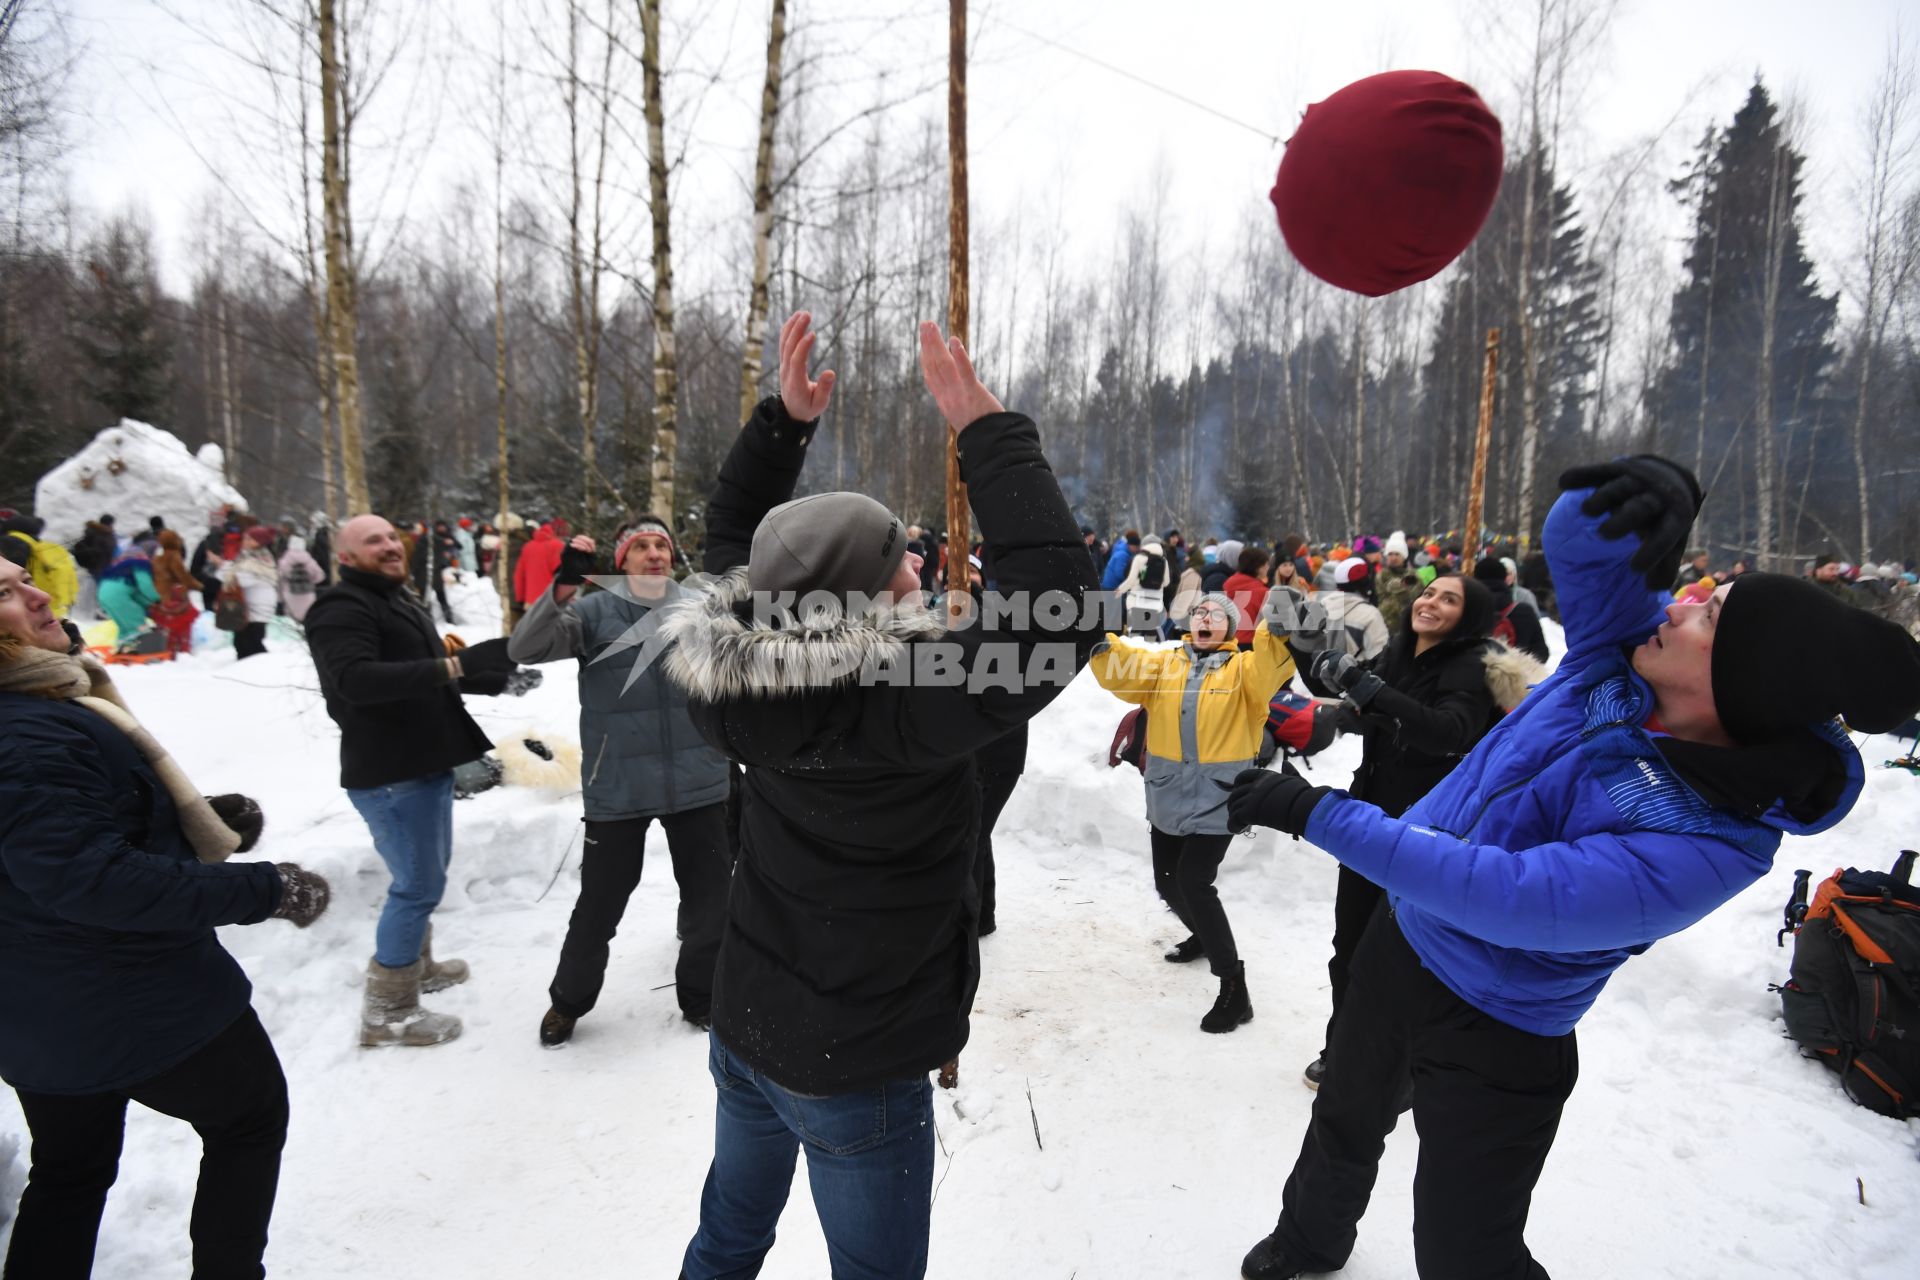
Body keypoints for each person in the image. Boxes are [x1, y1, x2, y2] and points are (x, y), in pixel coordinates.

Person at [1227, 454, 1920, 1280]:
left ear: (1741, 687)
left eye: (1710, 616)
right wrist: (1635, 496)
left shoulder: (1714, 840)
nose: (1684, 602)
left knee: (1465, 1248)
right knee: (1344, 1112)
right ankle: (1309, 1239)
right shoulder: (1614, 665)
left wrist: (1317, 813)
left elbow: (1505, 895)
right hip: (1402, 944)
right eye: (1703, 592)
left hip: (1502, 1023)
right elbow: (1584, 551)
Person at [665, 311, 1098, 1280]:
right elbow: (1062, 603)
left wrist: (781, 425)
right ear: (866, 600)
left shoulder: (731, 681)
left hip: (749, 1027)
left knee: (728, 1234)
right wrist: (981, 422)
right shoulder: (905, 708)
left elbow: (734, 545)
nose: (920, 566)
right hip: (855, 1065)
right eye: (901, 558)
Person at [0, 555, 330, 1280]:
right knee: (248, 1120)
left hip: (37, 1008)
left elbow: (56, 841)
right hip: (132, 997)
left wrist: (199, 822)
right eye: (6, 592)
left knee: (69, 1172)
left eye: (25, 576)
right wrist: (263, 890)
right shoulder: (26, 737)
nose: (35, 592)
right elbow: (92, 879)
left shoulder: (37, 711)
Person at [1295, 572, 1537, 1092]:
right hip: (1369, 821)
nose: (1430, 602)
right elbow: (1362, 699)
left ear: (1469, 616)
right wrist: (1307, 647)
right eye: (1429, 593)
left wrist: (1371, 693)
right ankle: (1344, 1048)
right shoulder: (1401, 653)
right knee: (1350, 947)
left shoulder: (1470, 665)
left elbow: (1446, 733)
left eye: (1449, 599)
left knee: (1405, 957)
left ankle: (1400, 1064)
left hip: (1427, 837)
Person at [507, 517, 734, 1046]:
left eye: (661, 545)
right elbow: (525, 648)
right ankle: (568, 1001)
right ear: (622, 560)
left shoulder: (699, 608)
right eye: (641, 547)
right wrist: (562, 585)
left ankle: (701, 998)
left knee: (710, 903)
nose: (654, 553)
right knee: (600, 905)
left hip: (698, 779)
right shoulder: (591, 611)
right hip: (619, 785)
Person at [306, 514, 518, 1048]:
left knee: (426, 878)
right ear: (347, 557)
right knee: (417, 886)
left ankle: (416, 967)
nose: (388, 545)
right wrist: (452, 669)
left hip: (422, 763)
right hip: (389, 774)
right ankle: (388, 1011)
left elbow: (429, 669)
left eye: (391, 537)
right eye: (372, 540)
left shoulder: (396, 600)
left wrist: (492, 676)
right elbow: (355, 680)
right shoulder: (340, 607)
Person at [1089, 592, 1296, 1032]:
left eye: (1217, 614)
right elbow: (1123, 668)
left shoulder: (1243, 669)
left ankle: (1234, 990)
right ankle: (1202, 936)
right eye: (1200, 611)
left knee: (1193, 882)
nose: (1206, 617)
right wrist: (1101, 643)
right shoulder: (1166, 664)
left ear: (1230, 628)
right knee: (1167, 883)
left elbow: (1270, 663)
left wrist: (1277, 628)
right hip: (1167, 793)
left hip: (1218, 798)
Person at [1474, 554, 1550, 664]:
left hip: (1474, 676)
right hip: (1517, 677)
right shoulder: (1524, 611)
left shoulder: (1467, 610)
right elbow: (1542, 653)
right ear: (1504, 578)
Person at [1, 516, 78, 619]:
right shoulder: (45, 546)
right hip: (50, 602)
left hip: (28, 605)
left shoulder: (11, 542)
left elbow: (10, 575)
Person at [222, 525, 281, 660]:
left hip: (259, 606)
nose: (245, 541)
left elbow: (243, 579)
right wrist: (227, 568)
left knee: (252, 643)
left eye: (250, 539)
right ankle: (246, 669)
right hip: (247, 606)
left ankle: (262, 668)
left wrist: (228, 569)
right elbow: (227, 576)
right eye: (245, 538)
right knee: (240, 642)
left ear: (259, 542)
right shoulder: (244, 557)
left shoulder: (262, 559)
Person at [148, 528, 201, 654]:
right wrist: (199, 586)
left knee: (164, 625)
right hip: (174, 598)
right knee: (181, 625)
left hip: (160, 597)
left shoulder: (156, 558)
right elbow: (183, 576)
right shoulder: (174, 556)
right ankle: (181, 650)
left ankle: (165, 648)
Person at [96, 543, 159, 640]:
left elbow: (135, 594)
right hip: (117, 596)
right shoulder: (140, 564)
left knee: (124, 626)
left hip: (102, 595)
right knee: (136, 620)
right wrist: (158, 599)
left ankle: (122, 645)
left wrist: (147, 604)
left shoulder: (117, 567)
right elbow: (145, 586)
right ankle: (142, 646)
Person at [513, 521, 565, 619]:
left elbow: (519, 575)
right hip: (551, 600)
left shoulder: (528, 546)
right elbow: (564, 575)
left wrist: (520, 598)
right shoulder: (558, 546)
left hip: (531, 601)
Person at [1223, 547, 1272, 649]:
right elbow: (1270, 621)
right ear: (1258, 567)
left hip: (1229, 641)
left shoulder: (1228, 585)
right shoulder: (1262, 592)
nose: (1268, 567)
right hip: (1253, 642)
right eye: (1266, 564)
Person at [1121, 533, 1170, 636]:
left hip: (1137, 599)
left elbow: (1130, 579)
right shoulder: (1164, 561)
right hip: (1154, 601)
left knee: (1135, 630)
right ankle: (1150, 650)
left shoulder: (1139, 558)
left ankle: (1132, 650)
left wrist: (1119, 591)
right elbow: (1166, 582)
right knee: (1151, 631)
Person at [1374, 531, 1417, 632]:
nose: (1393, 558)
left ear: (1404, 556)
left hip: (1408, 623)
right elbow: (1390, 588)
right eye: (1390, 554)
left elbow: (1416, 594)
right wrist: (1404, 584)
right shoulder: (1382, 574)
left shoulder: (1412, 574)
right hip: (1387, 622)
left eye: (1397, 554)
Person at [278, 534, 325, 625]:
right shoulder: (310, 561)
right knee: (307, 619)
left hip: (289, 594)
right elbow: (320, 576)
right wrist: (311, 581)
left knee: (291, 624)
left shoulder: (284, 561)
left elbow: (279, 579)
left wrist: (280, 597)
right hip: (307, 595)